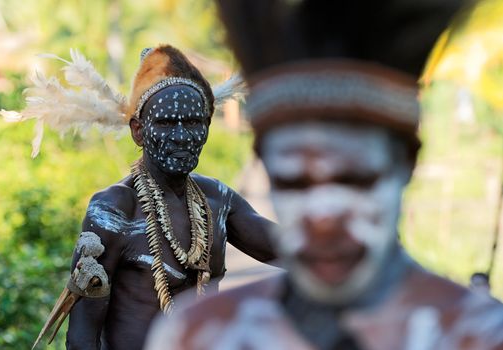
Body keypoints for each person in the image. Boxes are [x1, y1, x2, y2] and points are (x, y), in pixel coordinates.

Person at [145, 1, 503, 349]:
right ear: (264, 166)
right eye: (294, 183)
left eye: (355, 181)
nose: (324, 219)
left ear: (408, 162)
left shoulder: (480, 336)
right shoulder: (199, 336)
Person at [0, 45, 276, 349]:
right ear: (138, 131)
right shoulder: (113, 212)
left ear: (207, 127)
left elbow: (296, 249)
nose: (182, 136)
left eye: (194, 122)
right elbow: (82, 337)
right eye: (167, 123)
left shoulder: (219, 201)